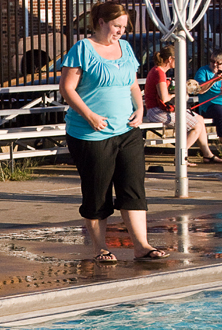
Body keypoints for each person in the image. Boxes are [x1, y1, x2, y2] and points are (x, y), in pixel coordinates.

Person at [58, 1, 169, 264]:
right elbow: (67, 88)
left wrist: (140, 108)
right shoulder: (82, 49)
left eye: (123, 27)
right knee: (98, 191)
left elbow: (132, 84)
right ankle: (99, 246)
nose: (120, 31)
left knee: (133, 187)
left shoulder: (126, 48)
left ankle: (141, 245)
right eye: (116, 26)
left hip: (127, 130)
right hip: (91, 134)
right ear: (101, 22)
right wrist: (90, 115)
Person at [144, 44, 222, 164]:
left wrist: (213, 80)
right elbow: (165, 98)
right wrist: (179, 93)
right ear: (170, 59)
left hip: (161, 109)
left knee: (200, 119)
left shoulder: (159, 71)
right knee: (196, 126)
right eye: (177, 58)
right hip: (156, 111)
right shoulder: (159, 73)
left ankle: (207, 155)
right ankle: (181, 157)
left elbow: (199, 90)